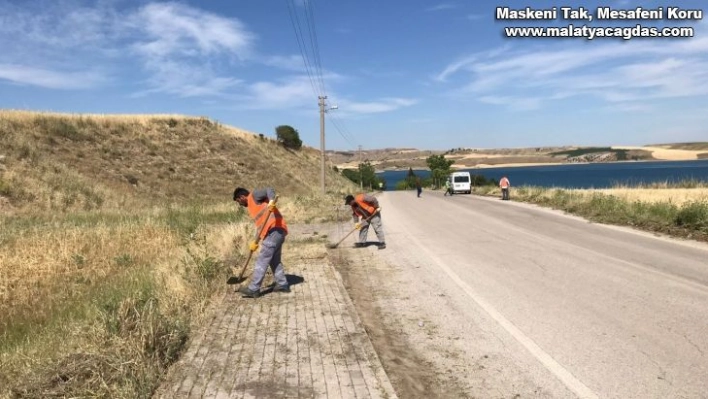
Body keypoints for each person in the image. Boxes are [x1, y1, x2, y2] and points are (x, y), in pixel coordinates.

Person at [233, 187, 290, 298]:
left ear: (242, 197)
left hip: (274, 230)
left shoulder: (253, 196)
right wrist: (255, 242)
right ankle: (282, 284)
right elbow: (261, 227)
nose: (239, 204)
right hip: (278, 231)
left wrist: (271, 201)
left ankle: (254, 288)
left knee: (262, 259)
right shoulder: (253, 207)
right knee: (274, 261)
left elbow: (269, 189)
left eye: (238, 201)